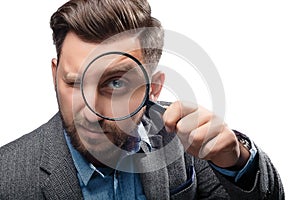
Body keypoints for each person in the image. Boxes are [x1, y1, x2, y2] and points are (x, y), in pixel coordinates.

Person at [0, 0, 284, 199]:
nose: (90, 112)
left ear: (153, 88)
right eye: (74, 83)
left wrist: (235, 161)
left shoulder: (185, 142)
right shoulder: (7, 177)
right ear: (54, 74)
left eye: (115, 83)